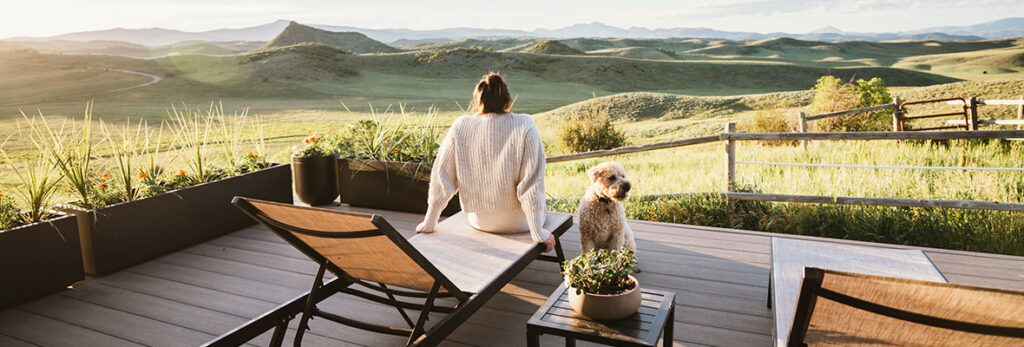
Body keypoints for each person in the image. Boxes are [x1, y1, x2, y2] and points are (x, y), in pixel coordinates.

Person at [415, 72, 556, 253]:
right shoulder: (525, 124)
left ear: (478, 102)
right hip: (519, 223)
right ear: (508, 103)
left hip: (479, 221)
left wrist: (429, 222)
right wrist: (538, 232)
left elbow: (442, 177)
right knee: (543, 204)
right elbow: (531, 184)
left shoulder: (460, 125)